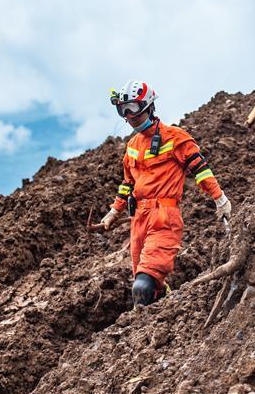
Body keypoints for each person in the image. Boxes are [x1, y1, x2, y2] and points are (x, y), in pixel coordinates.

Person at [99, 80, 231, 306]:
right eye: (124, 111)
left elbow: (201, 170)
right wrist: (114, 211)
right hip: (138, 219)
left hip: (164, 216)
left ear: (149, 107)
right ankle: (165, 309)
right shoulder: (132, 146)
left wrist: (220, 199)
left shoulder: (176, 138)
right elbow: (127, 184)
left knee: (143, 286)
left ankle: (149, 322)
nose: (129, 118)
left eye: (134, 111)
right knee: (146, 286)